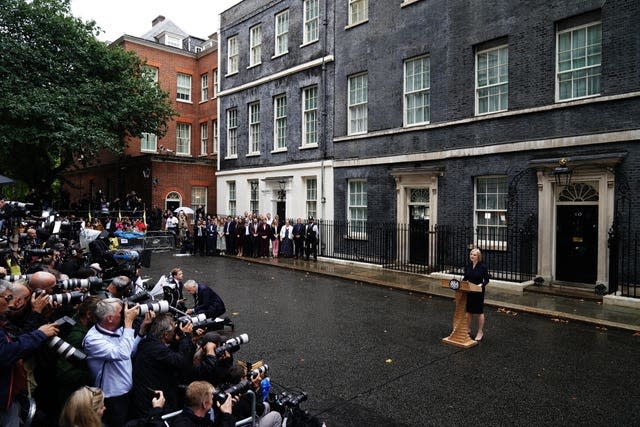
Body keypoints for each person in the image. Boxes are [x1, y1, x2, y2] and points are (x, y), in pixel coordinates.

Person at [82, 298, 151, 427]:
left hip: (128, 391)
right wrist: (129, 323)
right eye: (122, 313)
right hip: (112, 398)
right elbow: (122, 354)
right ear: (109, 318)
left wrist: (142, 330)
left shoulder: (115, 329)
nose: (126, 314)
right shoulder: (93, 340)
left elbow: (128, 352)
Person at [0, 280, 59, 426]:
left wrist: (42, 316)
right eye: (8, 298)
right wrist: (39, 331)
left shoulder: (4, 317)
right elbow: (8, 351)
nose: (13, 303)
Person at [129, 314, 195, 418]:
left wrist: (179, 340)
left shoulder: (148, 342)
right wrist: (185, 337)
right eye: (173, 331)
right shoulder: (157, 349)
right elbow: (182, 362)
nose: (175, 333)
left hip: (146, 395)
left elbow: (170, 354)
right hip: (153, 401)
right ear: (165, 335)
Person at [170, 380, 235, 427]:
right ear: (204, 404)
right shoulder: (184, 424)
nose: (213, 402)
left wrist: (223, 414)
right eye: (211, 399)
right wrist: (228, 415)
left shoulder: (195, 419)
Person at [463, 248, 490, 342]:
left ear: (478, 256)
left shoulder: (483, 267)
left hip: (478, 291)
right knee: (468, 311)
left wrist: (481, 285)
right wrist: (462, 285)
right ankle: (467, 329)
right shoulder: (468, 266)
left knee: (479, 312)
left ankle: (480, 331)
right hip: (469, 291)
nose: (472, 256)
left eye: (474, 255)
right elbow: (465, 278)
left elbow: (487, 280)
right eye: (471, 254)